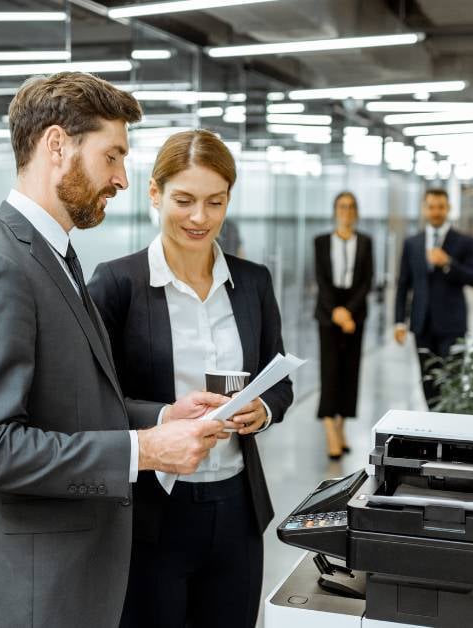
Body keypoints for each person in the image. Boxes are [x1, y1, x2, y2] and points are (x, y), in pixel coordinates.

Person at [0, 73, 233, 628]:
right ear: (57, 145)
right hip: (25, 593)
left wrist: (163, 418)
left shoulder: (56, 257)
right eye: (111, 156)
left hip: (66, 582)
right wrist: (144, 450)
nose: (121, 178)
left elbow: (70, 404)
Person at [89, 130, 293, 628]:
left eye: (214, 202)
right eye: (184, 200)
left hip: (237, 507)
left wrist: (263, 409)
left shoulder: (253, 282)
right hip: (152, 512)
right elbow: (92, 399)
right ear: (154, 194)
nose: (200, 218)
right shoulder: (117, 284)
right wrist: (164, 417)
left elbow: (280, 380)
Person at [394, 188, 473, 407]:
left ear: (448, 208)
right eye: (431, 207)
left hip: (452, 326)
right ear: (424, 209)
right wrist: (399, 321)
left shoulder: (464, 241)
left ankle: (449, 425)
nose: (436, 212)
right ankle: (433, 425)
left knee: (452, 384)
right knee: (428, 384)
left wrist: (448, 263)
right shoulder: (412, 243)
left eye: (440, 207)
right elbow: (403, 284)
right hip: (422, 326)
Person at [313, 191, 374, 459]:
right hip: (328, 312)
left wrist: (349, 312)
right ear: (335, 211)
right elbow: (321, 279)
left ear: (356, 212)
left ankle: (341, 427)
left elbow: (367, 281)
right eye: (341, 207)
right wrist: (336, 311)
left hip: (355, 312)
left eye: (350, 207)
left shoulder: (366, 242)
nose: (346, 212)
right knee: (330, 370)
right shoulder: (321, 241)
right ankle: (329, 429)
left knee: (350, 370)